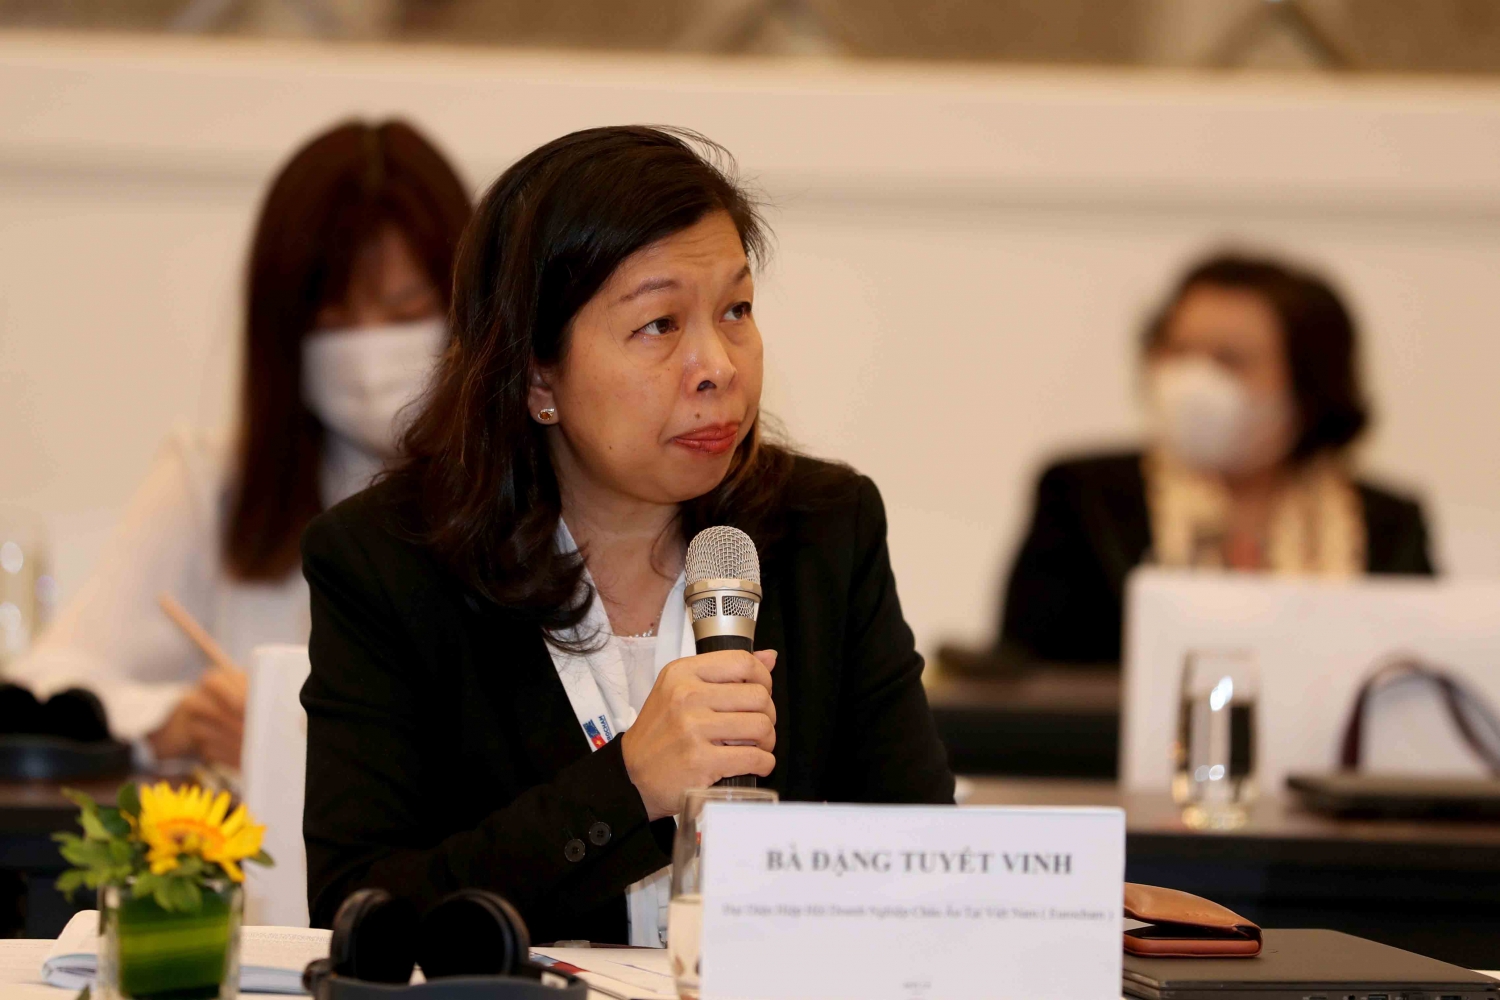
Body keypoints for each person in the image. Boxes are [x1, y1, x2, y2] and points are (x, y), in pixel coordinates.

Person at [301, 125, 955, 944]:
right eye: (659, 325)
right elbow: (362, 911)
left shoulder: (824, 531)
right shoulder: (390, 563)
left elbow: (924, 865)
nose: (718, 365)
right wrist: (628, 785)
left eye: (736, 310)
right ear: (536, 373)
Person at [9, 120, 471, 768]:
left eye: (405, 313)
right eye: (333, 320)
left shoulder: (528, 489)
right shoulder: (213, 480)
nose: (368, 357)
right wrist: (177, 722)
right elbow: (45, 682)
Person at [996, 253, 1434, 668]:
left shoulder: (1387, 524)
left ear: (1308, 383)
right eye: (1177, 351)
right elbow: (1029, 676)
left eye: (1230, 360)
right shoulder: (1084, 496)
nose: (1193, 379)